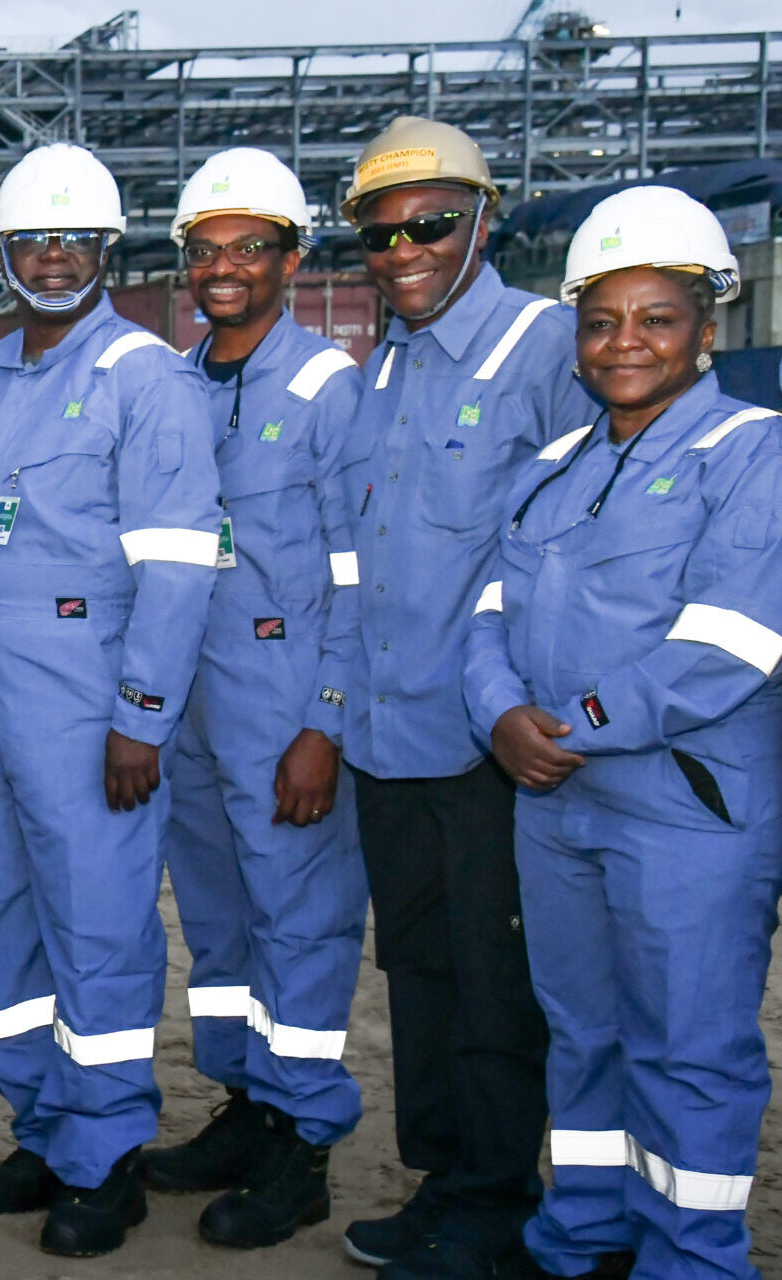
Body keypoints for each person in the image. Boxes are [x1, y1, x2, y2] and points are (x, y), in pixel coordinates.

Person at [467, 186, 778, 1280]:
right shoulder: (553, 466)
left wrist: (566, 726)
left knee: (688, 1048)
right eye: (601, 319)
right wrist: (497, 711)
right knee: (583, 1031)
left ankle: (689, 1258)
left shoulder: (751, 454)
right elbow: (487, 615)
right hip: (558, 806)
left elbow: (725, 644)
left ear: (708, 323)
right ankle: (580, 1237)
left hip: (684, 807)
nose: (624, 341)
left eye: (656, 316)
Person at [0, 142, 220, 1258]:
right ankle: (42, 1128)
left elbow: (180, 564)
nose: (51, 258)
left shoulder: (145, 379)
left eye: (74, 241)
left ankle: (105, 1155)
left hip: (81, 706)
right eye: (31, 240)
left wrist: (141, 715)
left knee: (96, 930)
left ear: (107, 251)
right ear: (2, 252)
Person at [331, 117, 595, 1280]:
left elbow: (589, 542)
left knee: (498, 984)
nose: (405, 248)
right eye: (382, 232)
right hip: (390, 738)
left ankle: (494, 1197)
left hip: (491, 745)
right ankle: (443, 1178)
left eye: (429, 223)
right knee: (422, 975)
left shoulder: (546, 346)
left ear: (481, 220)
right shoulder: (381, 364)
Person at [139, 147, 369, 1250]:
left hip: (281, 704)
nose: (224, 267)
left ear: (291, 257)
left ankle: (303, 1135)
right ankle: (242, 1101)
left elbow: (357, 574)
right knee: (220, 925)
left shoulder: (328, 388)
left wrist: (324, 719)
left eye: (249, 247)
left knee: (300, 924)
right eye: (206, 248)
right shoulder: (175, 382)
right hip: (187, 702)